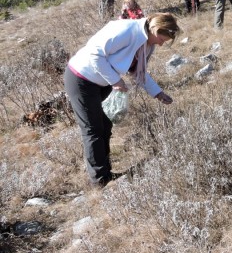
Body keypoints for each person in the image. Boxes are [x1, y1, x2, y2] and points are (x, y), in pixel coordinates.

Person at [64, 13, 180, 187]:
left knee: (105, 125)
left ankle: (106, 172)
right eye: (162, 39)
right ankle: (100, 181)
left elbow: (139, 72)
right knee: (93, 129)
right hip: (81, 78)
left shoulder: (147, 44)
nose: (161, 43)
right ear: (155, 29)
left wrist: (158, 93)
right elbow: (95, 54)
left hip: (103, 81)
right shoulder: (126, 30)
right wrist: (116, 81)